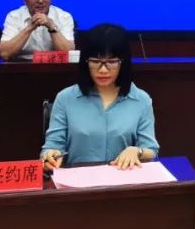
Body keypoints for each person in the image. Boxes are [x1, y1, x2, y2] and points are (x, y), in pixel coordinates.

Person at [42, 23, 159, 170]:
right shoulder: (65, 98)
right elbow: (51, 147)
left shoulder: (141, 100)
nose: (103, 70)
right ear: (85, 62)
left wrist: (137, 151)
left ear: (123, 63)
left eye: (112, 62)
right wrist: (50, 155)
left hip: (123, 178)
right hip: (78, 180)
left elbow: (151, 150)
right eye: (95, 62)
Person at [0, 0, 75, 60]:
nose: (40, 1)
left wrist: (52, 27)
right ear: (25, 0)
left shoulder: (64, 17)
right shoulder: (14, 17)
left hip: (54, 65)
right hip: (22, 65)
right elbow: (5, 53)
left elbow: (70, 54)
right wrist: (29, 28)